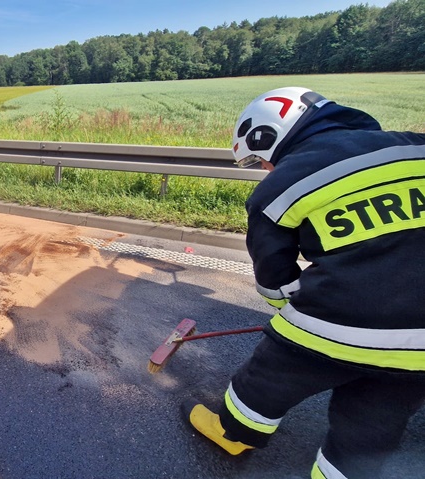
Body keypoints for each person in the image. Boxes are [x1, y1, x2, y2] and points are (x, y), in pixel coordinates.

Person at [182, 87, 425, 478]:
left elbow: (273, 272)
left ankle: (234, 433)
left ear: (269, 135)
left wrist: (289, 309)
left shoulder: (282, 184)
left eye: (259, 160)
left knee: (269, 375)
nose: (265, 169)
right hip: (420, 347)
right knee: (378, 417)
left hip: (343, 317)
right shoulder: (415, 147)